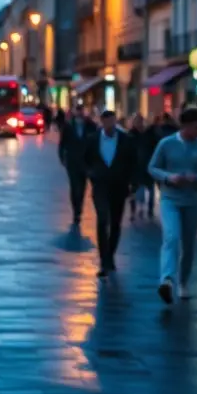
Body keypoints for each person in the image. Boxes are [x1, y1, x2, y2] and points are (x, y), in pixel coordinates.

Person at [148, 107, 197, 304]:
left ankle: (183, 281)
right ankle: (167, 280)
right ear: (185, 126)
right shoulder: (166, 144)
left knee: (188, 244)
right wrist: (169, 177)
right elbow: (152, 167)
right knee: (171, 236)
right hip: (170, 199)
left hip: (193, 201)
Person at [83, 110, 137, 277]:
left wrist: (132, 185)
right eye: (107, 122)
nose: (110, 126)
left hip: (119, 187)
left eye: (112, 122)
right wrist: (91, 174)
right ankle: (104, 261)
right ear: (102, 122)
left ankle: (110, 255)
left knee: (115, 223)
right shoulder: (92, 140)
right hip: (100, 186)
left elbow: (133, 162)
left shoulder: (126, 140)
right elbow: (84, 160)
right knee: (102, 220)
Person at [58, 106, 97, 226]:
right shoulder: (68, 126)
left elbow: (96, 142)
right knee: (75, 187)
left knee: (83, 187)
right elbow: (62, 144)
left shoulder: (91, 125)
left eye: (81, 111)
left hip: (86, 162)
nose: (80, 113)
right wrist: (62, 158)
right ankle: (76, 211)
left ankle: (79, 209)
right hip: (72, 162)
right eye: (78, 111)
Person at [126, 114, 151, 220]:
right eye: (137, 121)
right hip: (134, 165)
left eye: (140, 121)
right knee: (134, 189)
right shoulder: (130, 135)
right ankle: (134, 210)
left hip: (146, 164)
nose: (139, 124)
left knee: (148, 187)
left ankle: (148, 208)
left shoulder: (147, 134)